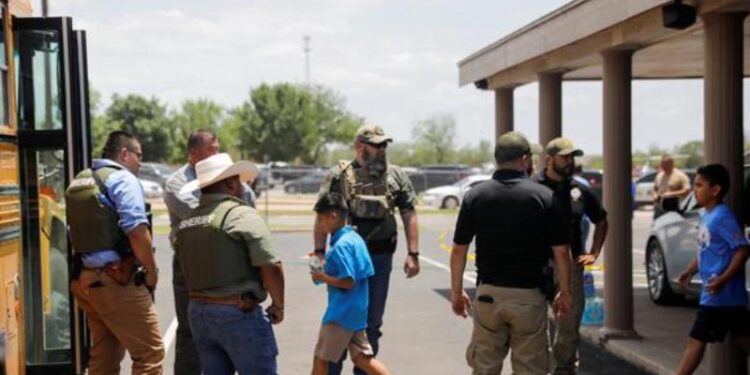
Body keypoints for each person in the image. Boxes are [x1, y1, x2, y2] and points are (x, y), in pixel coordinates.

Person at [450, 131, 572, 375]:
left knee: (484, 368)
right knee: (530, 368)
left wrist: (456, 291)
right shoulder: (544, 196)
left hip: (488, 297)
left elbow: (458, 249)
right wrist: (565, 291)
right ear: (524, 159)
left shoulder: (475, 195)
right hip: (528, 297)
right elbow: (561, 252)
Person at [315, 124, 419, 375]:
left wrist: (413, 253)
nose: (382, 149)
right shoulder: (338, 176)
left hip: (380, 259)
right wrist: (319, 251)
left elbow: (409, 213)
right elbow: (321, 215)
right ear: (360, 146)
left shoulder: (396, 175)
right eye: (377, 145)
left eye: (385, 145)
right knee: (340, 319)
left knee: (372, 323)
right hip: (344, 259)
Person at [174, 153, 284, 374]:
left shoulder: (187, 223)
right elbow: (271, 265)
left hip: (199, 314)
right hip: (237, 312)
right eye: (239, 180)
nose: (243, 186)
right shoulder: (241, 215)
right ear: (230, 182)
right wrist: (278, 304)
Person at [66, 130, 164, 374]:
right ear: (124, 154)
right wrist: (151, 273)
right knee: (150, 354)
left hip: (85, 280)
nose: (140, 162)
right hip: (115, 282)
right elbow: (137, 231)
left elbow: (73, 231)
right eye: (138, 155)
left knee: (105, 356)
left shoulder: (81, 180)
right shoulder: (123, 179)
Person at [162, 130, 256, 374]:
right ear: (193, 154)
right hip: (190, 266)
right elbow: (205, 218)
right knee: (189, 332)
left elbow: (249, 204)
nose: (218, 153)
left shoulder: (228, 178)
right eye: (212, 149)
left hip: (227, 263)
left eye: (218, 148)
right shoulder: (177, 184)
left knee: (229, 325)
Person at [537, 138, 609, 375]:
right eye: (565, 156)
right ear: (549, 159)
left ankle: (563, 369)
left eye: (572, 157)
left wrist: (594, 253)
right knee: (536, 325)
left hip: (571, 266)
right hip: (538, 267)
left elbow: (601, 220)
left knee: (568, 326)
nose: (570, 161)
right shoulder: (533, 188)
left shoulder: (580, 191)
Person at [674, 164, 750, 375]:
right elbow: (705, 251)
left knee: (695, 339)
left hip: (720, 295)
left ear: (715, 190)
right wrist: (690, 271)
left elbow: (742, 250)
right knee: (744, 338)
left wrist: (723, 279)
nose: (695, 190)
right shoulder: (705, 215)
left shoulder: (722, 217)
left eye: (699, 185)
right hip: (722, 296)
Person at [310, 193, 391, 375]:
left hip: (341, 313)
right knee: (363, 358)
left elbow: (348, 281)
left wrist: (323, 277)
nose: (320, 225)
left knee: (320, 358)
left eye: (321, 220)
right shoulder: (355, 238)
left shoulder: (341, 246)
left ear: (333, 217)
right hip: (357, 311)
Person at [653, 154, 691, 218]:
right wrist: (655, 195)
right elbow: (655, 189)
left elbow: (687, 190)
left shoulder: (680, 175)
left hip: (676, 207)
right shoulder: (659, 176)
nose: (663, 167)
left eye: (666, 165)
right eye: (662, 164)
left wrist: (670, 194)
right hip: (660, 208)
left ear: (671, 164)